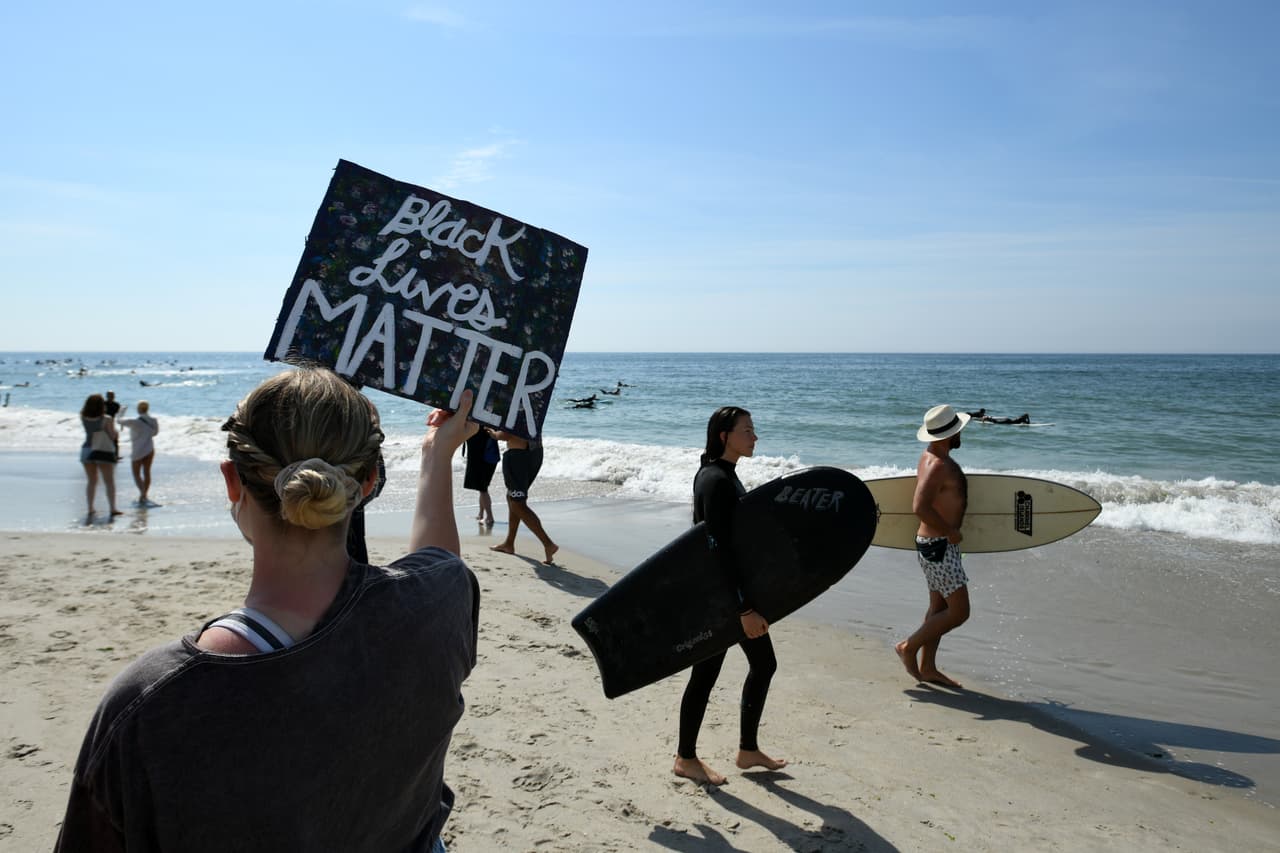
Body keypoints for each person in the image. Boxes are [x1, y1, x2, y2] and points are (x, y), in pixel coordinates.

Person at [56, 367, 480, 853]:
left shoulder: (148, 704)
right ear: (367, 482)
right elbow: (441, 563)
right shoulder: (438, 605)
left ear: (231, 482)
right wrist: (437, 454)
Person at [673, 406, 786, 786]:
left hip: (727, 594)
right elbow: (717, 547)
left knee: (760, 665)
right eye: (748, 430)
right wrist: (744, 608)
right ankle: (686, 757)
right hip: (722, 599)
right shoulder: (716, 480)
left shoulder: (721, 475)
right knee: (706, 674)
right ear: (725, 436)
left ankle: (747, 750)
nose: (755, 437)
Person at [895, 404, 972, 689]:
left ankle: (928, 667)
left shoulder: (929, 457)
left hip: (935, 545)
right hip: (938, 546)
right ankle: (908, 647)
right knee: (959, 612)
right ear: (948, 434)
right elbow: (920, 507)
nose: (961, 434)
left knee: (938, 607)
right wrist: (950, 531)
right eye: (957, 430)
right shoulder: (939, 465)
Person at [488, 430, 559, 564]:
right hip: (535, 452)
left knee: (517, 503)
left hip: (518, 456)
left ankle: (548, 544)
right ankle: (509, 543)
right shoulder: (536, 408)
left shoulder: (517, 408)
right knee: (513, 498)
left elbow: (507, 434)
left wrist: (494, 434)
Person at [79, 393, 122, 518]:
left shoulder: (83, 417)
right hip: (102, 450)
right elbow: (113, 435)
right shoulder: (107, 419)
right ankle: (112, 508)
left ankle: (90, 508)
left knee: (91, 481)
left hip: (86, 449)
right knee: (109, 481)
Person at [118, 400, 160, 506]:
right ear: (147, 408)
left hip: (137, 450)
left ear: (138, 409)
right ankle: (144, 495)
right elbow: (155, 433)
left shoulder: (134, 422)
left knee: (136, 474)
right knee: (147, 473)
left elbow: (119, 421)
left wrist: (121, 411)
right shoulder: (153, 420)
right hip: (149, 449)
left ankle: (143, 495)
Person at [463, 428, 499, 526]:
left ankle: (490, 517)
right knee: (482, 487)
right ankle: (481, 514)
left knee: (482, 488)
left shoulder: (477, 423)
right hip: (489, 456)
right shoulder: (487, 421)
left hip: (483, 456)